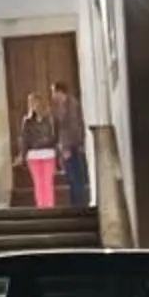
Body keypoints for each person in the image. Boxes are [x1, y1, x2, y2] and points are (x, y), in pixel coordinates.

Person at [51, 80, 91, 208]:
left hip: (72, 146)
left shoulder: (71, 104)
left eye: (53, 91)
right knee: (72, 179)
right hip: (67, 146)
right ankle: (75, 205)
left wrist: (68, 146)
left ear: (59, 91)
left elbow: (73, 126)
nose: (52, 95)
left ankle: (80, 206)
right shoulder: (61, 105)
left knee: (76, 178)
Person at [19, 89, 61, 207]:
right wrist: (23, 155)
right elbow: (25, 139)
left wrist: (49, 146)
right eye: (31, 103)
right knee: (38, 183)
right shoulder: (27, 121)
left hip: (48, 153)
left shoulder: (50, 119)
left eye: (35, 102)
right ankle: (41, 207)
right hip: (33, 156)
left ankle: (49, 207)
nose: (33, 106)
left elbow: (55, 136)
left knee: (47, 182)